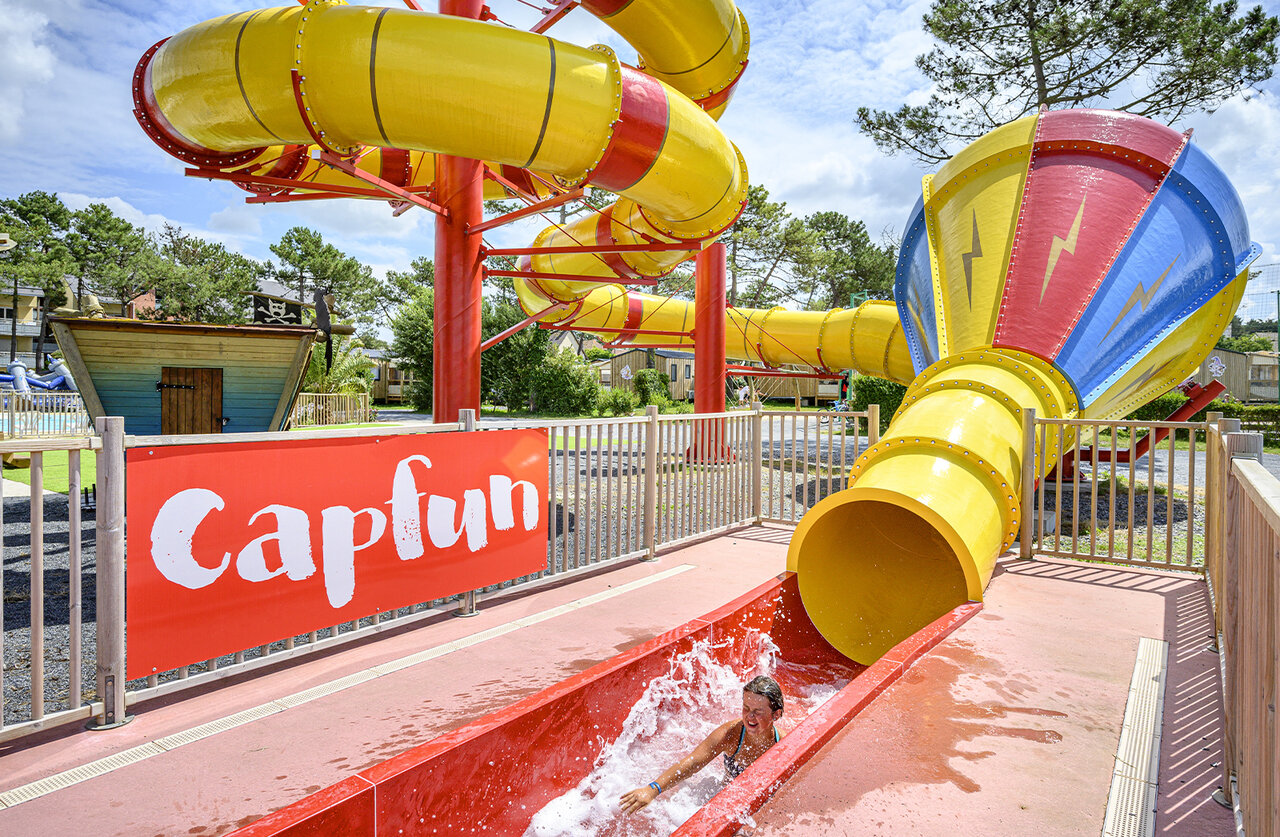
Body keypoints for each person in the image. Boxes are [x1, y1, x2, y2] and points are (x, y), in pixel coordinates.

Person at [618, 675, 784, 815]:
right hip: (727, 801)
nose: (750, 716)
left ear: (776, 714)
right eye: (746, 708)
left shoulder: (783, 744)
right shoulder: (731, 734)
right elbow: (693, 762)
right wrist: (653, 789)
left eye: (758, 711)